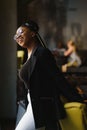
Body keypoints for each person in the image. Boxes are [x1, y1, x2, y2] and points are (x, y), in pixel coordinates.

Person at [14, 20, 84, 130]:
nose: (18, 36)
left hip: (42, 105)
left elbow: (58, 78)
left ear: (33, 33)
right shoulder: (28, 56)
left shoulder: (41, 53)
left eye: (21, 32)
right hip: (31, 103)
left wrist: (78, 98)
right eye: (16, 35)